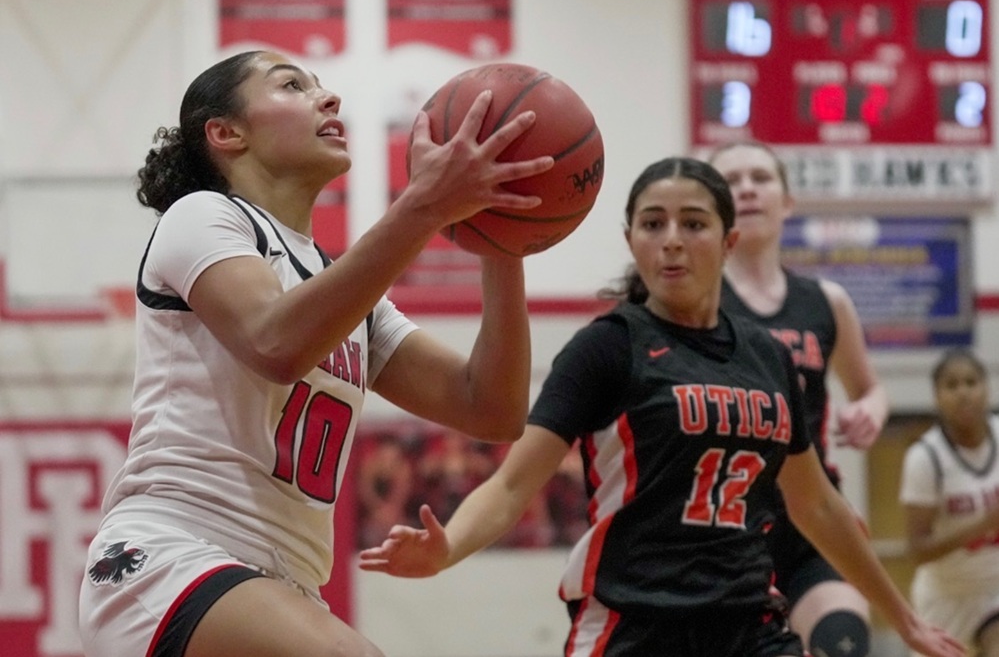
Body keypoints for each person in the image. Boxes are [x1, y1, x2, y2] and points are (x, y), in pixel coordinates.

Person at [359, 156, 964, 657]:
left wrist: (904, 620)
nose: (672, 239)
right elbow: (515, 485)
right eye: (653, 223)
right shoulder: (607, 347)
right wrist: (448, 549)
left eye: (693, 223)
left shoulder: (768, 357)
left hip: (748, 624)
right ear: (631, 240)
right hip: (636, 623)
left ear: (728, 241)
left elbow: (818, 504)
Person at [77, 49, 555, 657]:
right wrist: (425, 204)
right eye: (292, 86)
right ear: (226, 134)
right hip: (172, 554)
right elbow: (275, 343)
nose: (328, 99)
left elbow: (490, 407)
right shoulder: (202, 217)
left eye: (323, 86)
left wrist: (499, 237)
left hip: (282, 583)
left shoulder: (345, 291)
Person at [707, 140, 888, 656]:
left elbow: (869, 387)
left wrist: (869, 411)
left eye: (760, 178)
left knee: (843, 642)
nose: (746, 188)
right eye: (732, 180)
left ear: (787, 201)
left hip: (812, 518)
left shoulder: (826, 301)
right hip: (725, 528)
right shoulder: (694, 302)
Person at [899, 348, 999, 657]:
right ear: (937, 396)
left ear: (986, 388)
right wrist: (983, 525)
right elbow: (918, 550)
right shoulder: (925, 457)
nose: (964, 393)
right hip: (945, 598)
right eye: (952, 385)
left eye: (971, 382)